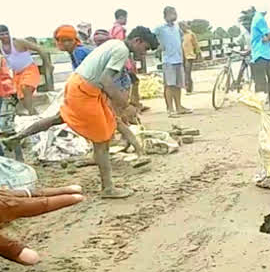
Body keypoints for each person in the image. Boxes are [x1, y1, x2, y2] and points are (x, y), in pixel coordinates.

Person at [6, 27, 157, 199]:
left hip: (79, 85)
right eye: (144, 48)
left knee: (61, 118)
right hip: (85, 90)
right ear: (137, 41)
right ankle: (108, 188)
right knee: (101, 140)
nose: (143, 53)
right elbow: (106, 81)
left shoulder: (114, 44)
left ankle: (16, 138)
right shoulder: (121, 50)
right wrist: (126, 105)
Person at [0, 25, 51, 115]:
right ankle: (35, 114)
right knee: (22, 98)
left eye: (6, 34)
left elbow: (39, 49)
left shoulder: (18, 42)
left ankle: (31, 113)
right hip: (17, 73)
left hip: (29, 69)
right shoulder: (1, 47)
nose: (5, 36)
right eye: (2, 35)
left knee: (25, 87)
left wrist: (47, 64)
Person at [155, 7, 191, 118]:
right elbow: (153, 37)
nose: (174, 15)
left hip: (178, 59)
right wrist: (159, 47)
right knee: (169, 85)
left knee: (178, 85)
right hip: (168, 60)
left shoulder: (177, 28)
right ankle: (170, 109)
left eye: (175, 13)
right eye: (171, 14)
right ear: (165, 15)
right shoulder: (160, 28)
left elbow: (181, 39)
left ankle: (179, 107)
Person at [250, 10, 270, 110]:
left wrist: (267, 37)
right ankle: (266, 104)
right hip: (261, 54)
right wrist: (269, 36)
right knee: (265, 80)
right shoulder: (259, 19)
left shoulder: (258, 18)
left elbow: (267, 37)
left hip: (265, 53)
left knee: (269, 78)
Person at [180, 22, 200, 94]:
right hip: (181, 56)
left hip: (189, 56)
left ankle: (188, 89)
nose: (182, 28)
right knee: (184, 72)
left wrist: (198, 54)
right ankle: (188, 86)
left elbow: (196, 44)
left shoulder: (191, 34)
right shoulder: (179, 35)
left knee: (187, 72)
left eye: (183, 26)